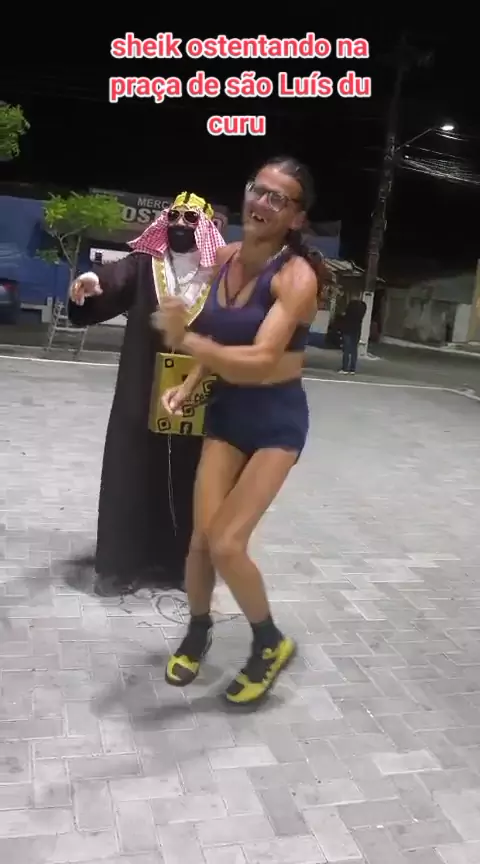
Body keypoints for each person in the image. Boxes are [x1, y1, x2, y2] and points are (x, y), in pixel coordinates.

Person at [153, 156, 327, 707]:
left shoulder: (297, 277)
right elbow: (221, 338)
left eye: (280, 198)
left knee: (228, 543)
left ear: (296, 217)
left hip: (276, 421)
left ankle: (269, 642)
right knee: (201, 542)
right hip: (227, 413)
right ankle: (198, 630)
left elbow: (258, 359)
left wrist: (185, 341)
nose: (263, 202)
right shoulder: (225, 258)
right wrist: (191, 382)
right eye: (259, 189)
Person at [68, 192, 225, 596]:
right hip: (143, 384)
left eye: (190, 219)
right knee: (134, 468)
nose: (179, 225)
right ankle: (124, 565)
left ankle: (183, 564)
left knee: (192, 474)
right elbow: (113, 279)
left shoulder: (221, 276)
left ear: (207, 228)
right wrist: (93, 284)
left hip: (198, 389)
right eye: (173, 217)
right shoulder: (146, 265)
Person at [339, 292, 367, 374]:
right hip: (357, 329)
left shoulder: (351, 304)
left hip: (348, 329)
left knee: (347, 350)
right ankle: (352, 369)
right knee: (354, 350)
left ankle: (345, 368)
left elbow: (346, 314)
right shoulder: (363, 305)